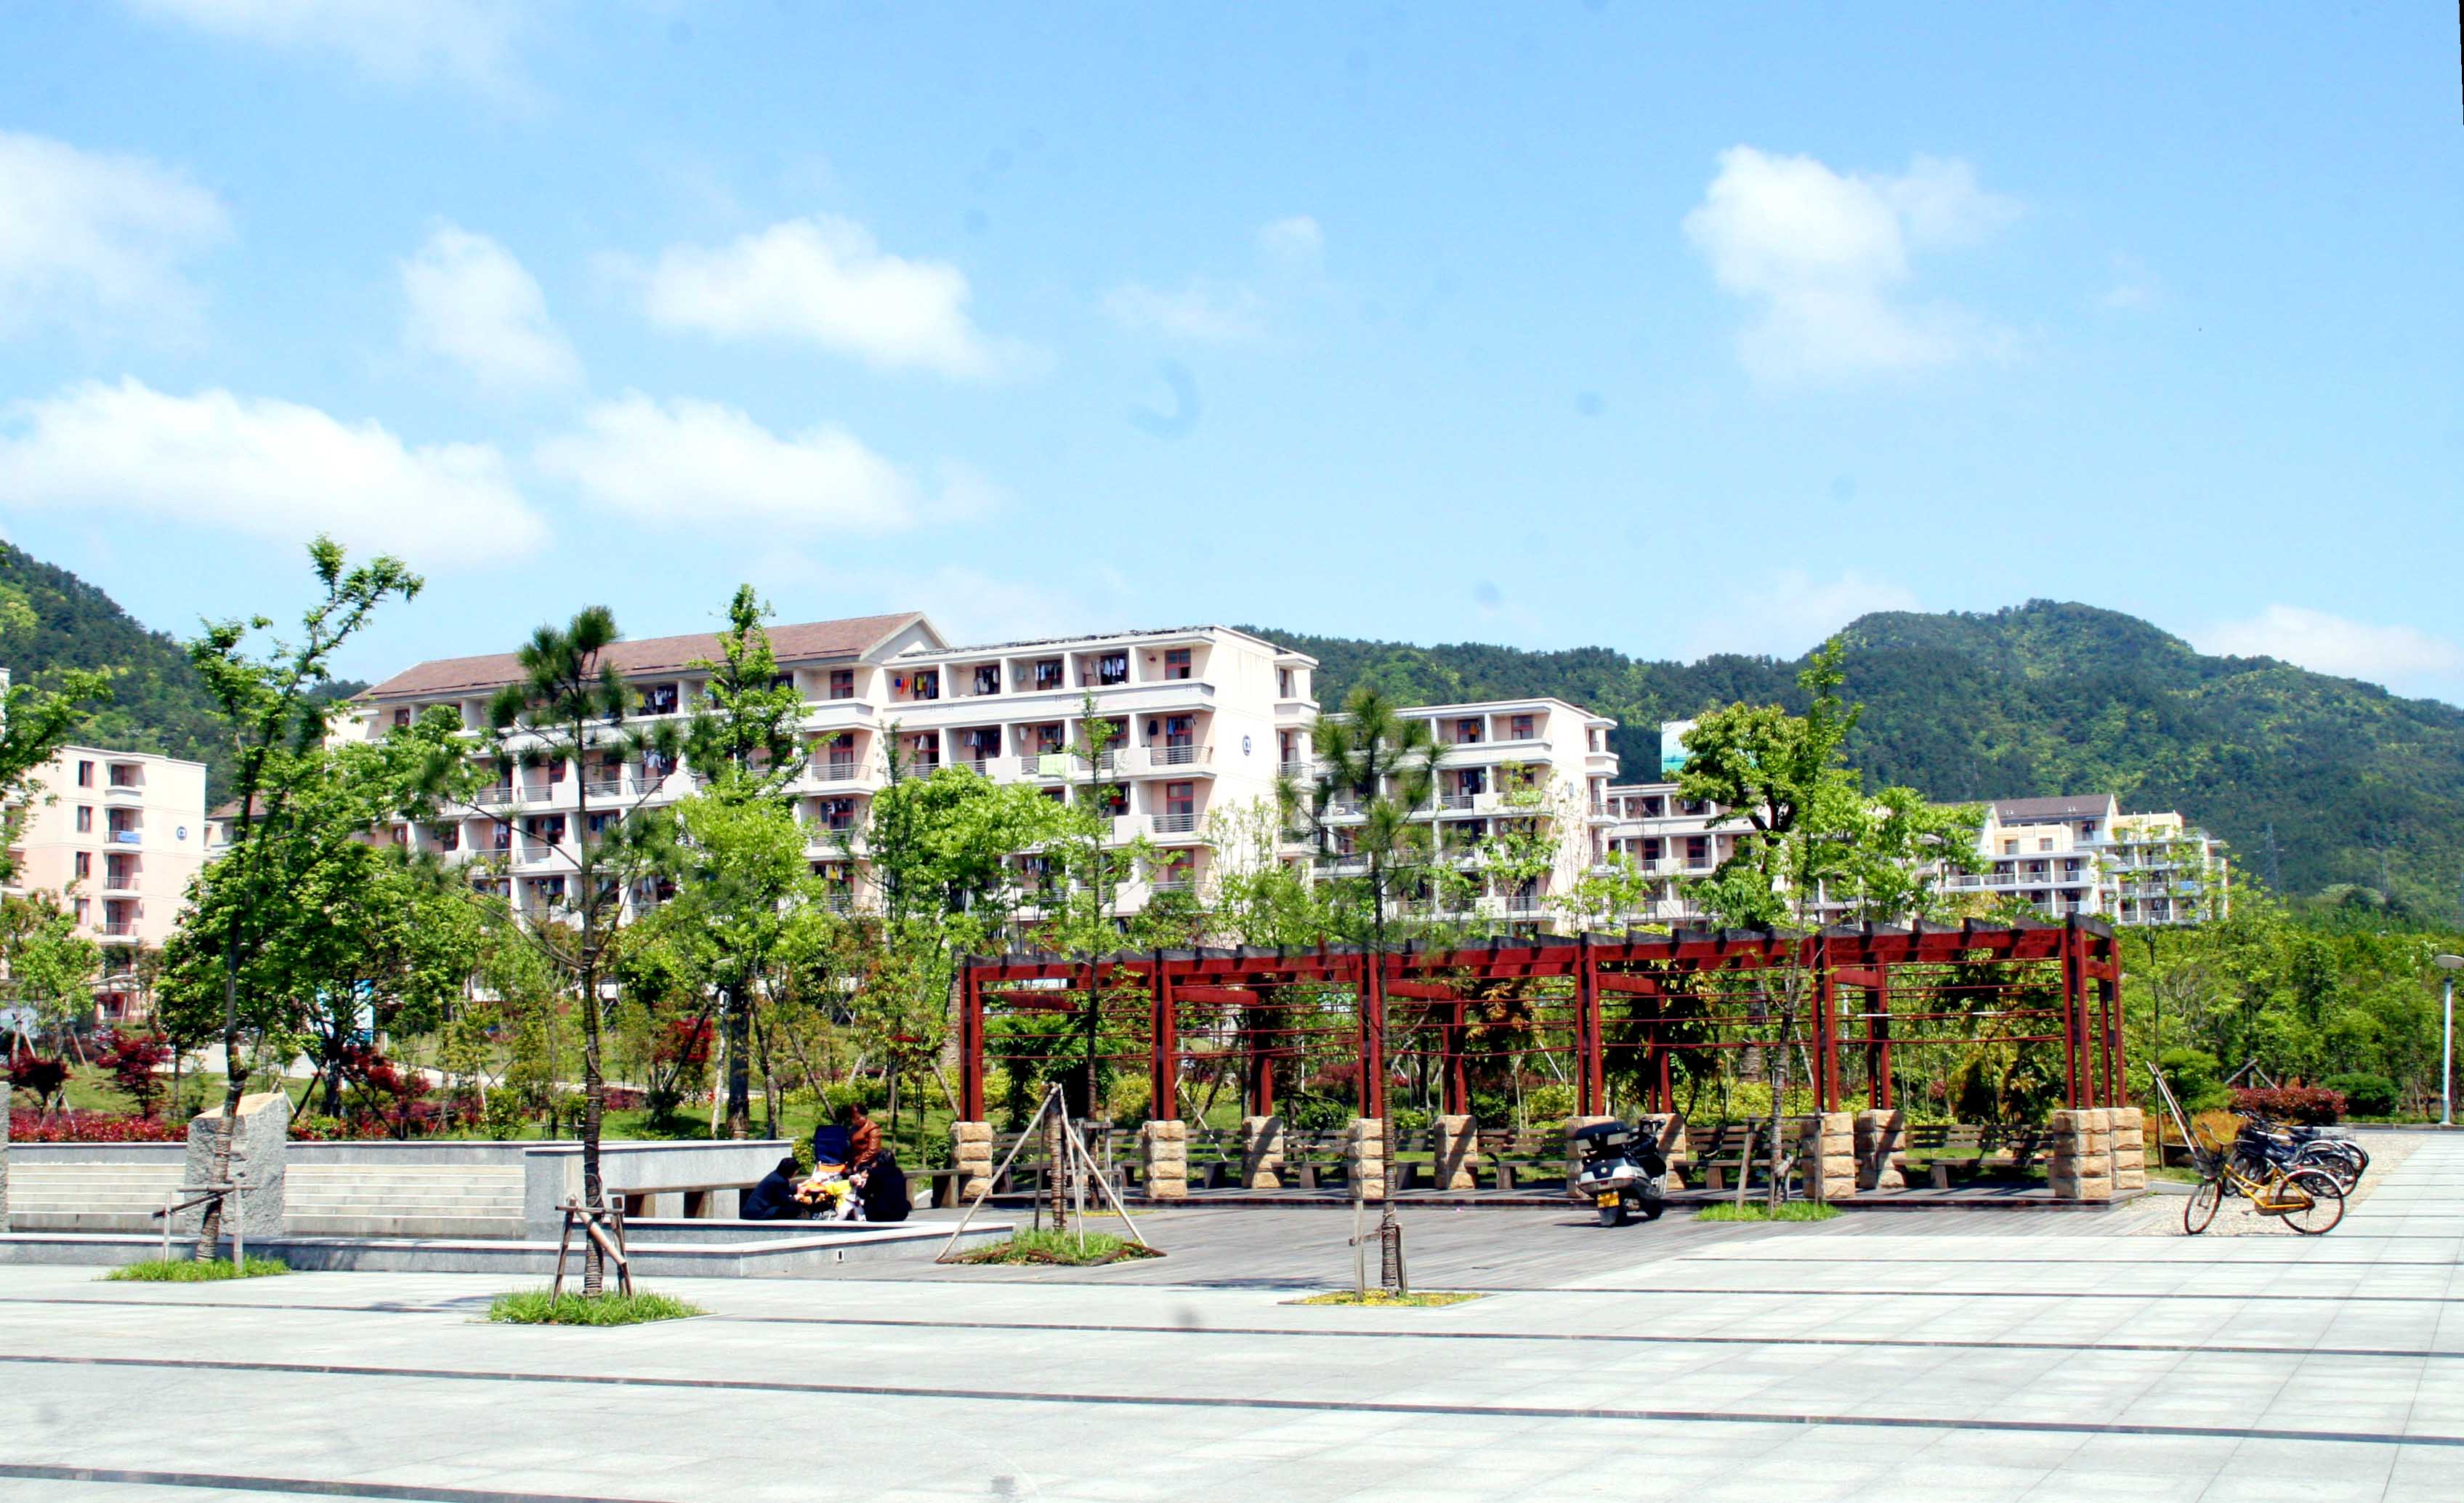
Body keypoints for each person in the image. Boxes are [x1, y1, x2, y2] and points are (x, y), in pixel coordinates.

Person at [740, 1156, 809, 1222]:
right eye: (796, 1170)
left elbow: (785, 1190)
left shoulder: (776, 1175)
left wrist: (801, 1185)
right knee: (792, 1208)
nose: (797, 1172)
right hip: (758, 1213)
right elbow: (785, 1202)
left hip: (751, 1212)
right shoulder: (779, 1181)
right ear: (791, 1171)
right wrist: (799, 1196)